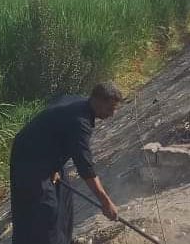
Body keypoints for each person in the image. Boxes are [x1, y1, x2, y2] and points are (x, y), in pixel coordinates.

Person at [10, 82, 123, 244]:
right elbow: (85, 167)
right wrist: (106, 202)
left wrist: (53, 163)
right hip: (29, 159)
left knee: (64, 201)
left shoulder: (80, 102)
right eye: (110, 109)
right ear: (98, 101)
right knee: (46, 211)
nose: (112, 114)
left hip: (46, 156)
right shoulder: (80, 123)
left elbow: (54, 124)